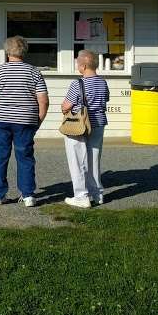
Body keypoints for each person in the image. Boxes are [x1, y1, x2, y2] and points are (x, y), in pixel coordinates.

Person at [0, 36, 49, 207]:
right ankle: (28, 196)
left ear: (7, 52)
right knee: (25, 156)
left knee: (0, 156)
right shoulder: (34, 72)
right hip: (25, 120)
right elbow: (44, 101)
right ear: (24, 51)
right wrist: (38, 120)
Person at [61, 49, 110, 208]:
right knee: (94, 159)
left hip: (79, 125)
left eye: (78, 64)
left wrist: (64, 108)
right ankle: (97, 194)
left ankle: (81, 196)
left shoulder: (77, 83)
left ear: (83, 66)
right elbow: (106, 98)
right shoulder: (102, 82)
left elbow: (66, 105)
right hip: (98, 123)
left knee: (77, 160)